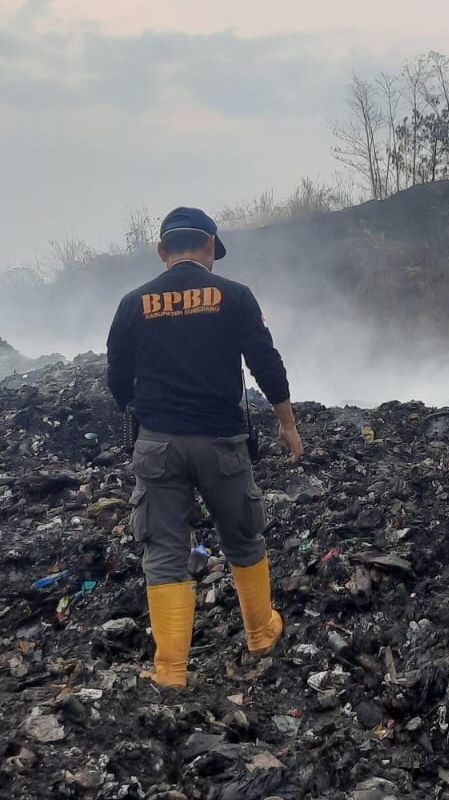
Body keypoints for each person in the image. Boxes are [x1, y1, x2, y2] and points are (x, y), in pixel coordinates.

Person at [106, 207, 304, 688]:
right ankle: (260, 634)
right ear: (211, 246)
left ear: (162, 251)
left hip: (157, 445)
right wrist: (287, 424)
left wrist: (144, 412)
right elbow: (266, 363)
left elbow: (117, 378)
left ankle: (171, 672)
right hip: (222, 442)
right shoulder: (234, 296)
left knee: (164, 551)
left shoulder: (133, 304)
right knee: (243, 536)